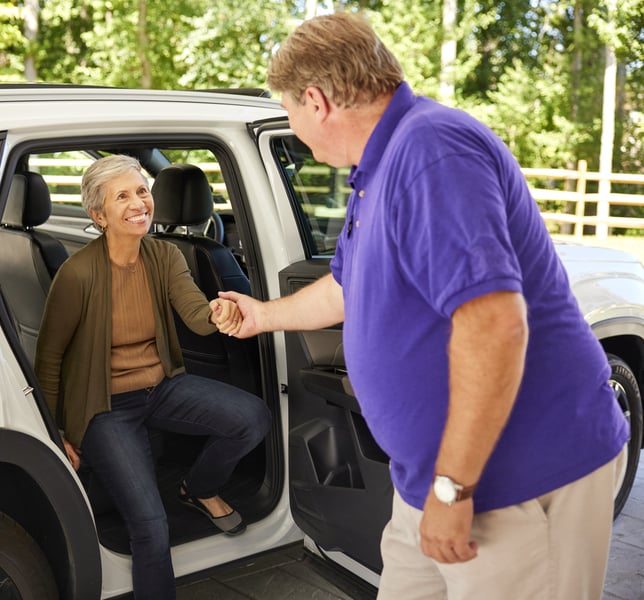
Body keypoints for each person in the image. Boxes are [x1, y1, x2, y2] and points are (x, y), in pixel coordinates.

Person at [220, 12, 630, 600]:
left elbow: (495, 326)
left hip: (513, 479)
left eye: (289, 112)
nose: (295, 130)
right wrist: (262, 315)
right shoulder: (378, 167)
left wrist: (453, 488)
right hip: (433, 481)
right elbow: (345, 287)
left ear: (315, 101)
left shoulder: (431, 152)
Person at [35, 154, 271, 599]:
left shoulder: (164, 255)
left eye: (142, 190)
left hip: (161, 389)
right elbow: (49, 358)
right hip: (105, 407)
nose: (139, 203)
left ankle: (198, 488)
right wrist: (56, 433)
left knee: (252, 417)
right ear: (99, 215)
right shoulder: (77, 273)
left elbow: (196, 313)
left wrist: (219, 312)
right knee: (150, 525)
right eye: (122, 196)